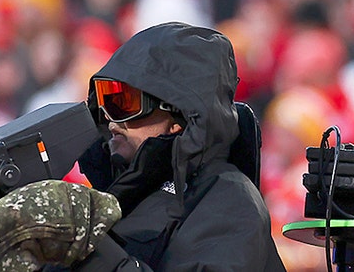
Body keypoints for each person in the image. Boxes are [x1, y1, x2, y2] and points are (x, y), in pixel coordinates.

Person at [71, 22, 286, 270]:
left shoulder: (231, 202)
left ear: (179, 118)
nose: (109, 118)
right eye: (105, 99)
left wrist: (91, 249)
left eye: (125, 102)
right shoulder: (125, 191)